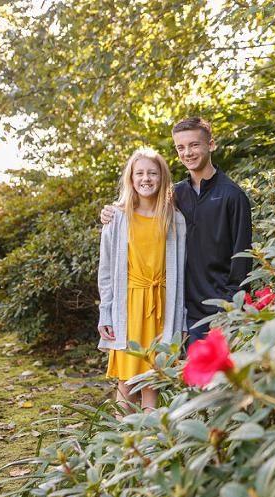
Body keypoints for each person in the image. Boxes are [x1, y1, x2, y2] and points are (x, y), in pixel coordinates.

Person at [101, 117, 252, 348]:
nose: (187, 153)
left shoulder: (233, 196)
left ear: (210, 145)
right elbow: (142, 209)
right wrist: (112, 212)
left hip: (221, 311)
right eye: (181, 147)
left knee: (218, 382)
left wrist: (231, 309)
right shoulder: (175, 196)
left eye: (194, 145)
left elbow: (242, 260)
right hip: (180, 311)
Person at [98, 147, 187, 418]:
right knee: (126, 387)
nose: (146, 178)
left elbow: (181, 277)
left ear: (162, 178)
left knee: (153, 385)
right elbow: (106, 271)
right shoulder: (116, 217)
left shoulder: (175, 220)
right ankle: (120, 450)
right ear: (131, 178)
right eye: (140, 173)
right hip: (128, 310)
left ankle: (148, 451)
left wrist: (181, 322)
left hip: (162, 310)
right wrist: (105, 312)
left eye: (152, 173)